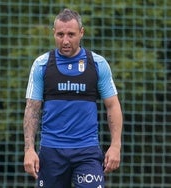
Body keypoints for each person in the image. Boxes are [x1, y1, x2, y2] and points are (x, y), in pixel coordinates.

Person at [23, 8, 123, 188]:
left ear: (81, 33)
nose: (65, 40)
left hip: (87, 151)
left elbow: (113, 106)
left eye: (71, 34)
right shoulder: (42, 64)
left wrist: (115, 146)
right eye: (60, 34)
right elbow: (32, 109)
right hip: (51, 151)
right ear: (53, 33)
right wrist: (29, 149)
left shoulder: (97, 64)